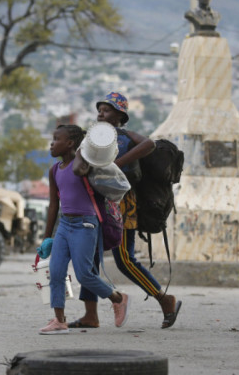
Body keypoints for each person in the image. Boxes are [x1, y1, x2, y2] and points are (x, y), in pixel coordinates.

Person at [69, 92, 182, 330]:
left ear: (120, 115)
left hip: (120, 204)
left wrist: (116, 165)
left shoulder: (125, 135)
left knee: (124, 260)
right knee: (90, 260)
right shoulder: (93, 136)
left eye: (107, 110)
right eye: (99, 109)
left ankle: (164, 299)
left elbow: (149, 144)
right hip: (95, 202)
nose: (101, 113)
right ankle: (90, 315)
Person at [38, 124, 130, 335]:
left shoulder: (84, 163)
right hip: (65, 225)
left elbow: (79, 170)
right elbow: (54, 204)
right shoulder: (54, 170)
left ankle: (118, 298)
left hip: (85, 224)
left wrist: (81, 150)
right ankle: (59, 320)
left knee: (84, 274)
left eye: (56, 139)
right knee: (57, 272)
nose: (51, 143)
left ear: (70, 143)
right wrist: (46, 237)